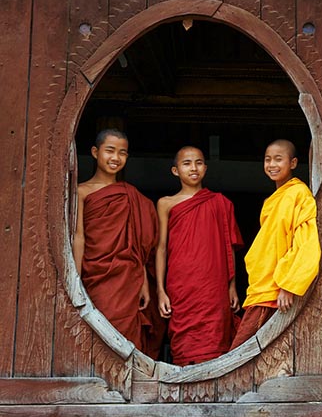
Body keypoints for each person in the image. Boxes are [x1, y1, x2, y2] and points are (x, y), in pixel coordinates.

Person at [73, 129, 164, 357]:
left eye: (122, 153)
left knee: (126, 339)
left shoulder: (130, 195)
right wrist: (75, 280)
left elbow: (138, 246)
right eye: (110, 151)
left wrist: (143, 282)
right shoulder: (81, 192)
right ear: (95, 152)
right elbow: (79, 237)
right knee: (94, 335)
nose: (116, 158)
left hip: (127, 279)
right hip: (94, 276)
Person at [155, 146, 243, 365]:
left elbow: (229, 246)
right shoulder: (166, 203)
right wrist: (160, 290)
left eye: (199, 163)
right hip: (181, 285)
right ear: (175, 170)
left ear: (205, 167)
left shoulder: (221, 203)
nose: (193, 168)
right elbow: (161, 248)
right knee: (185, 346)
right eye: (187, 163)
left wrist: (232, 285)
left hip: (213, 287)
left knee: (215, 343)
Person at [229, 139, 321, 349]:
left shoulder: (299, 194)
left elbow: (305, 242)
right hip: (262, 285)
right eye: (268, 159)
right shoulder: (271, 201)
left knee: (241, 351)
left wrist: (289, 285)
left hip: (276, 290)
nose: (272, 165)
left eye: (278, 159)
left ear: (293, 163)